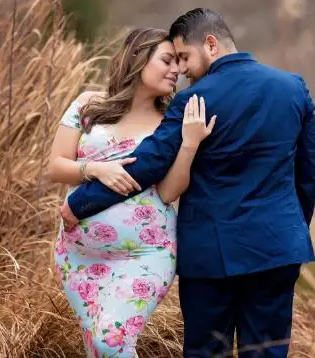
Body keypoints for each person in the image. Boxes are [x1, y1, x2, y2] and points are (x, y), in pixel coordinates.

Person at [61, 8, 315, 358]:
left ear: (211, 45)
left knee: (205, 352)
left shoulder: (194, 100)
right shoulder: (293, 87)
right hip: (276, 249)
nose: (182, 69)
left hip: (210, 254)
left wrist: (80, 203)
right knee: (266, 351)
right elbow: (309, 172)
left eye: (184, 57)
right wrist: (291, 228)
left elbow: (147, 164)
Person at [48, 27, 215, 357]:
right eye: (167, 60)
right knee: (97, 347)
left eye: (180, 65)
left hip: (145, 253)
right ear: (138, 59)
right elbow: (55, 166)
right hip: (79, 256)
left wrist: (190, 143)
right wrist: (93, 169)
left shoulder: (170, 122)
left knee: (109, 341)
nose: (176, 70)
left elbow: (169, 192)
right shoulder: (88, 104)